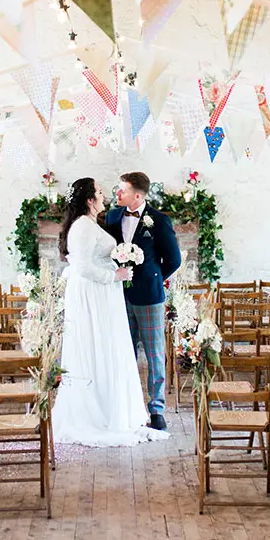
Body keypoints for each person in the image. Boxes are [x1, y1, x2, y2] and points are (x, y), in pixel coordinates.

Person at [51, 177, 170, 447]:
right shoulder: (83, 226)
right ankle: (100, 414)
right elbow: (83, 267)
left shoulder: (94, 223)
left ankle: (118, 408)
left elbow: (170, 257)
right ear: (90, 200)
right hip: (95, 296)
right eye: (100, 192)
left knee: (118, 351)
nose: (106, 195)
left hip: (120, 295)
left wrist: (154, 276)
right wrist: (114, 275)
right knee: (98, 350)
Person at [104, 172, 181, 432]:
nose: (117, 193)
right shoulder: (113, 217)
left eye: (122, 190)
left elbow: (174, 260)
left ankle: (157, 409)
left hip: (149, 296)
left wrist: (154, 278)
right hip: (118, 296)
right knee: (123, 353)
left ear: (137, 195)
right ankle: (126, 406)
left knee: (155, 354)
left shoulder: (159, 220)